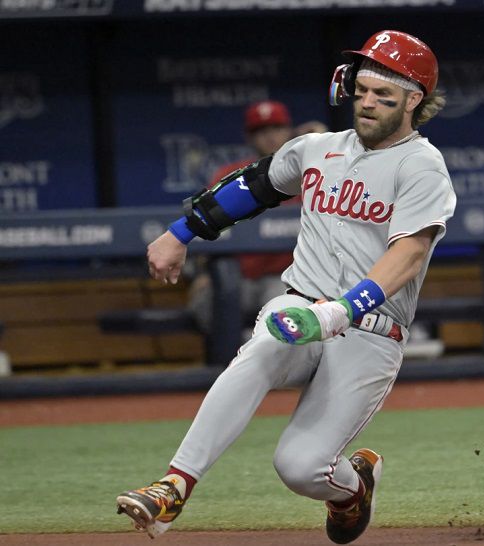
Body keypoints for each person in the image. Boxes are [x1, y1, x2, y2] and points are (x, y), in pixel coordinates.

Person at [116, 30, 454, 545]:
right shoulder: (318, 148)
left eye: (383, 96)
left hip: (369, 331)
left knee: (300, 468)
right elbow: (250, 188)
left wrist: (341, 311)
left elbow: (407, 254)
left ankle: (352, 487)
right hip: (299, 306)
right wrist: (179, 233)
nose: (367, 102)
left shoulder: (421, 165)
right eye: (362, 90)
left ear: (413, 101)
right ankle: (174, 486)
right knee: (265, 342)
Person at [189, 100, 327, 335]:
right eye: (261, 131)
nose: (270, 136)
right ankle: (232, 362)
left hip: (286, 277)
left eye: (276, 128)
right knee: (209, 299)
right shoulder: (230, 175)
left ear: (289, 130)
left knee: (282, 306)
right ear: (249, 137)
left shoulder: (311, 171)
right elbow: (204, 224)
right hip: (236, 277)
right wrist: (203, 273)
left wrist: (323, 145)